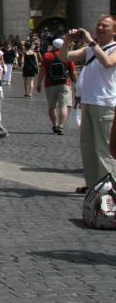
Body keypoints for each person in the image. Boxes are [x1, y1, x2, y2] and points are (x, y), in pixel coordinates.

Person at [61, 17, 116, 192]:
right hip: (88, 102)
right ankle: (93, 187)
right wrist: (67, 41)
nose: (100, 27)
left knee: (104, 150)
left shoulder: (113, 48)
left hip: (105, 103)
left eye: (105, 25)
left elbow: (108, 63)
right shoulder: (90, 49)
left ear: (114, 31)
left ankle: (108, 189)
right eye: (99, 24)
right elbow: (64, 57)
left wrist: (91, 42)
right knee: (88, 148)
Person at [37, 38, 77, 135]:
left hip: (50, 84)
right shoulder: (67, 55)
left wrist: (38, 83)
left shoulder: (47, 55)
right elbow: (73, 71)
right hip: (65, 84)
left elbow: (42, 71)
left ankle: (54, 125)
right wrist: (76, 83)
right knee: (63, 106)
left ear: (53, 46)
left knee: (52, 106)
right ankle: (61, 126)